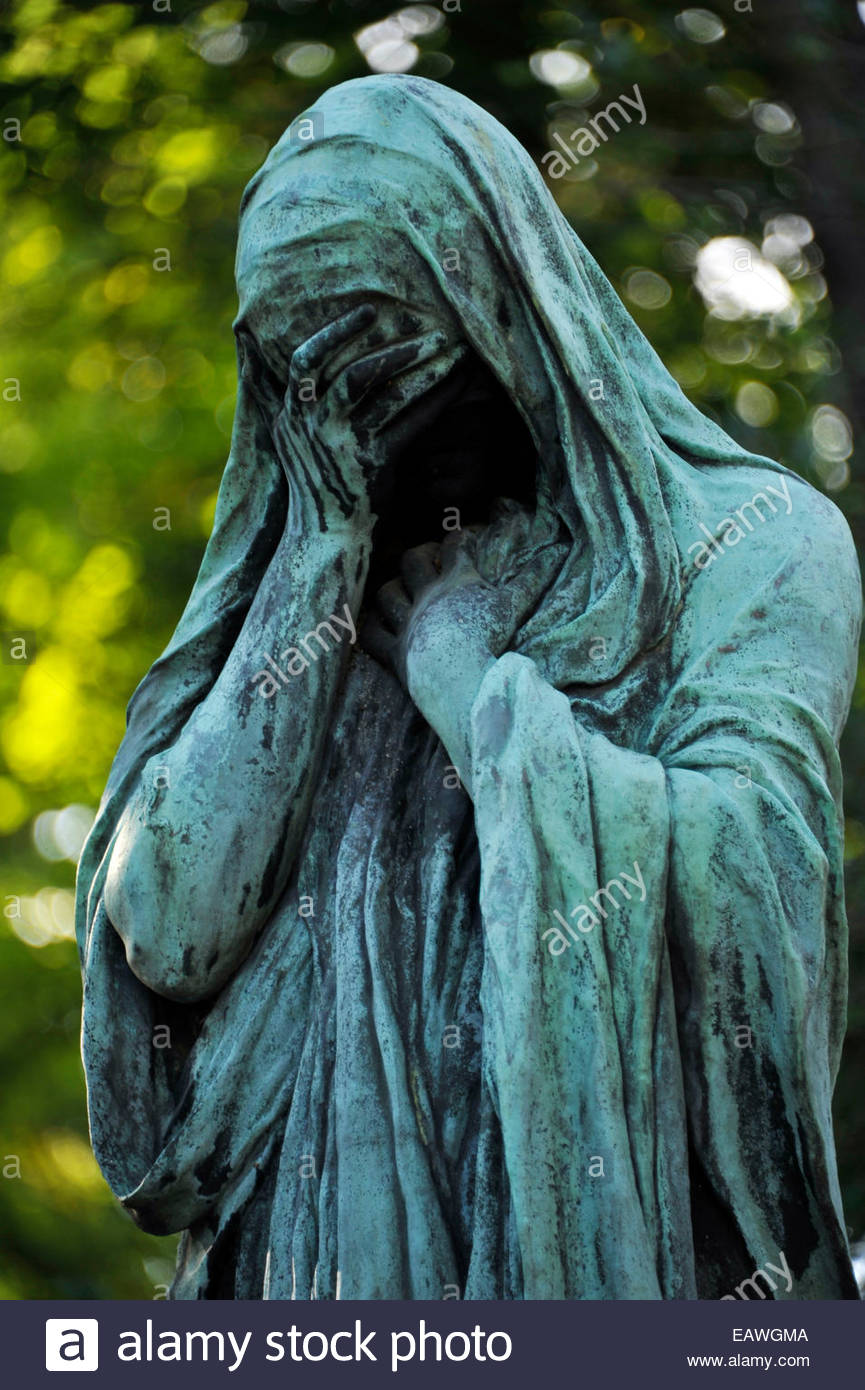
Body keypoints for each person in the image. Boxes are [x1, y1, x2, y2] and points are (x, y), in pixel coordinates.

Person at [75, 74, 862, 1300]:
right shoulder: (303, 599)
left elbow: (753, 868)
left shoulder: (757, 541)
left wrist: (469, 687)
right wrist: (320, 556)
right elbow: (170, 926)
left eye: (388, 359)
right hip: (306, 1279)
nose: (364, 419)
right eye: (308, 379)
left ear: (504, 302)